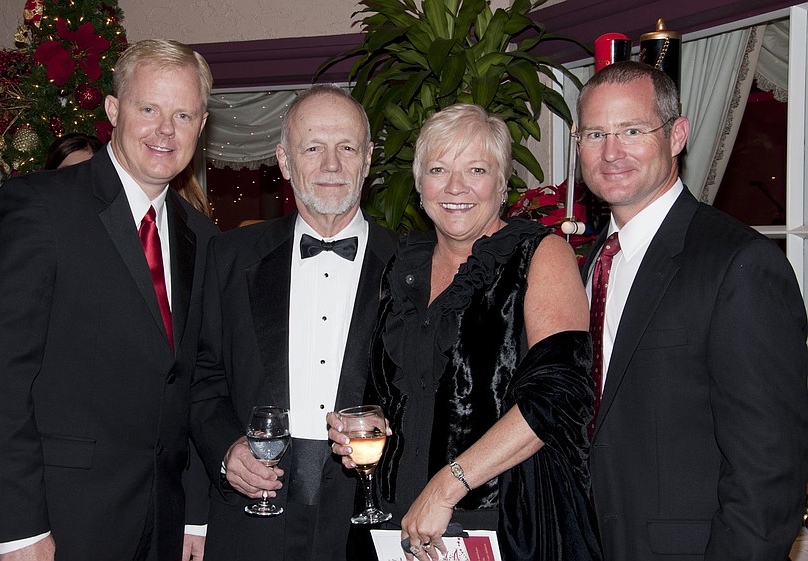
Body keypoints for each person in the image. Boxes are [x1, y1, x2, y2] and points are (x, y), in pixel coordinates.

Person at [0, 39, 246, 561]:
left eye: (183, 115)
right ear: (113, 110)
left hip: (163, 524)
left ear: (202, 125)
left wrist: (195, 511)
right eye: (149, 109)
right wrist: (18, 530)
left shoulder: (200, 236)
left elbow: (193, 380)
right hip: (57, 523)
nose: (165, 130)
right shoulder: (39, 207)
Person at [329, 103, 602, 561]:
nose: (456, 187)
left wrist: (448, 487)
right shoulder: (401, 264)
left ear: (502, 184)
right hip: (393, 520)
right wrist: (363, 426)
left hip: (502, 521)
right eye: (438, 169)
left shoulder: (540, 254)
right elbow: (390, 391)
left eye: (477, 169)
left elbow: (557, 398)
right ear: (419, 185)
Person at [577, 61, 808, 560]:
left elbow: (769, 468)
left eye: (632, 131)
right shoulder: (593, 262)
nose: (611, 152)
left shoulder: (740, 264)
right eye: (595, 134)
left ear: (677, 135)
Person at [196, 84, 397, 561]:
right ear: (284, 161)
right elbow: (200, 378)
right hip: (253, 510)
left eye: (346, 148)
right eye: (312, 148)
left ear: (368, 159)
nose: (332, 165)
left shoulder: (412, 264)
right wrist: (227, 449)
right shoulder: (228, 257)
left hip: (370, 513)